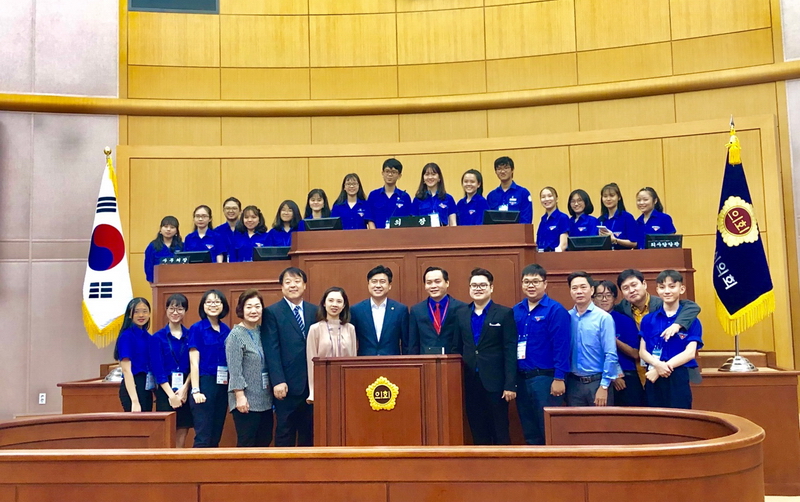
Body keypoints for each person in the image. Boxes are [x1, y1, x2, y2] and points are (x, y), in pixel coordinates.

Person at [451, 268, 517, 445]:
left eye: (482, 285)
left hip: (496, 383)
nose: (478, 289)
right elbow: (456, 348)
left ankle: (503, 461)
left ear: (491, 288)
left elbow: (510, 350)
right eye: (474, 285)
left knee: (500, 429)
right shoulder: (461, 313)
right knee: (477, 429)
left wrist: (510, 384)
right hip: (470, 381)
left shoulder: (504, 313)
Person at [512, 264, 570, 445]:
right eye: (527, 281)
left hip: (546, 379)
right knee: (529, 430)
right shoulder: (516, 310)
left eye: (535, 281)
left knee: (548, 430)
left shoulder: (555, 310)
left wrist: (559, 378)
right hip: (521, 379)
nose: (531, 285)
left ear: (545, 284)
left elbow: (562, 346)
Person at [263, 267, 319, 447]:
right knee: (285, 432)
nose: (293, 285)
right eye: (288, 282)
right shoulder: (272, 312)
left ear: (304, 285)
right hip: (286, 384)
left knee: (309, 433)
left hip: (311, 385)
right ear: (282, 287)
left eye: (297, 281)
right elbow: (271, 349)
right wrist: (278, 380)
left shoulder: (315, 311)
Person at [639, 270, 703, 409]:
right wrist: (657, 365)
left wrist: (662, 368)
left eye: (672, 286)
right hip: (653, 374)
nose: (667, 291)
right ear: (657, 290)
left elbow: (690, 353)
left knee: (680, 418)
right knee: (653, 418)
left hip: (678, 375)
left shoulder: (692, 321)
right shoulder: (648, 319)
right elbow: (642, 351)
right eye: (662, 287)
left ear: (682, 289)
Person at [225, 289, 273, 447]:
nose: (254, 311)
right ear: (241, 309)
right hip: (246, 400)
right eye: (249, 307)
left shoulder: (263, 332)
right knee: (247, 444)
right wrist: (240, 396)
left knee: (264, 442)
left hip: (265, 399)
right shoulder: (235, 336)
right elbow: (235, 371)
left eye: (257, 306)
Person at [565, 271, 618, 407]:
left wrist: (604, 386)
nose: (579, 291)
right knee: (575, 421)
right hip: (573, 384)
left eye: (583, 287)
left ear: (592, 290)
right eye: (574, 288)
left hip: (598, 382)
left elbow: (611, 354)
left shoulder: (603, 318)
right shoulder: (566, 317)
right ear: (570, 291)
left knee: (601, 421)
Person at [188, 290, 231, 448]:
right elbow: (194, 362)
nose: (213, 305)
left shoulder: (226, 330)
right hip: (204, 384)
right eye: (209, 302)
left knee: (216, 435)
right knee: (203, 436)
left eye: (217, 302)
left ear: (223, 305)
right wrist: (196, 390)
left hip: (223, 384)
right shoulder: (197, 328)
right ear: (203, 306)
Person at [149, 294, 193, 447]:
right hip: (165, 388)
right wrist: (171, 395)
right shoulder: (157, 338)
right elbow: (157, 369)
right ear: (166, 310)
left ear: (185, 311)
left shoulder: (191, 335)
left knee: (183, 428)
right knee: (167, 431)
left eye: (179, 309)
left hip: (186, 386)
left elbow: (195, 365)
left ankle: (180, 457)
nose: (175, 312)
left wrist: (185, 389)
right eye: (172, 308)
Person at [592, 280, 643, 407]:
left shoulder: (625, 321)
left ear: (615, 298)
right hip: (597, 377)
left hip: (626, 377)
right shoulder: (588, 321)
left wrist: (611, 339)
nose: (604, 299)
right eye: (599, 295)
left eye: (608, 295)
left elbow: (635, 353)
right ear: (593, 298)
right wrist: (613, 376)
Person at [306, 287, 358, 403]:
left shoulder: (350, 328)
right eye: (331, 300)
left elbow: (353, 358)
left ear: (344, 306)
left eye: (339, 301)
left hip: (345, 383)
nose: (334, 305)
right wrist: (313, 390)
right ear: (324, 303)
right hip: (323, 383)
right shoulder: (315, 329)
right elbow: (311, 361)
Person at [615, 269, 700, 335]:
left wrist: (677, 325)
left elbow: (693, 307)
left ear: (644, 284)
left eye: (634, 285)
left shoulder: (662, 303)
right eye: (625, 288)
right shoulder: (623, 307)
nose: (631, 290)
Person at [350, 265, 410, 356]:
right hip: (364, 361)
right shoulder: (356, 310)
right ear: (368, 285)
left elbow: (406, 343)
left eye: (382, 282)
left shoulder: (400, 310)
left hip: (393, 361)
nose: (378, 285)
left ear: (389, 286)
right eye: (374, 281)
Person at [408, 266, 467, 355]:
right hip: (426, 360)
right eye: (429, 282)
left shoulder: (462, 308)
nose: (433, 286)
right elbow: (413, 343)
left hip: (454, 359)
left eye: (437, 281)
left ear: (447, 283)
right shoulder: (416, 310)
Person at [114, 297, 153, 413]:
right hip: (133, 386)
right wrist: (135, 401)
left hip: (146, 386)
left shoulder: (148, 336)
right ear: (130, 315)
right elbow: (126, 370)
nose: (141, 315)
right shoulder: (127, 336)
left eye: (145, 311)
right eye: (136, 311)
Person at [365, 158, 412, 229]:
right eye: (387, 171)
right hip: (378, 234)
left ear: (399, 175)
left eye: (394, 172)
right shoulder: (373, 195)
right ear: (382, 173)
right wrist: (375, 234)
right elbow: (370, 219)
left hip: (398, 235)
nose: (390, 174)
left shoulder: (405, 197)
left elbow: (408, 221)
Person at [485, 156, 533, 224]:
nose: (502, 171)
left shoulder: (523, 193)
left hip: (517, 230)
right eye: (499, 169)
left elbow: (526, 219)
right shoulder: (491, 195)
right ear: (495, 172)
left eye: (506, 168)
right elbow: (488, 221)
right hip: (497, 230)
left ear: (512, 170)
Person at [144, 215, 183, 286]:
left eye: (172, 227)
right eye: (165, 226)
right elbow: (148, 266)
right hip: (159, 283)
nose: (168, 229)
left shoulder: (181, 246)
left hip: (178, 282)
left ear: (176, 231)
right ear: (160, 229)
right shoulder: (152, 246)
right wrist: (152, 283)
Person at [597, 183, 637, 250]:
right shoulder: (600, 220)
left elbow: (634, 243)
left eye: (612, 196)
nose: (608, 199)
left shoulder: (627, 217)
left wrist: (615, 240)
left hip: (623, 255)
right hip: (605, 255)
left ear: (619, 197)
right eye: (605, 196)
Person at [536, 186, 570, 252]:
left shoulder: (562, 217)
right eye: (543, 197)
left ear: (556, 199)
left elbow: (563, 245)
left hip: (556, 255)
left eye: (550, 196)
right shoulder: (543, 219)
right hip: (541, 255)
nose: (546, 199)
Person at [215, 196, 242, 261]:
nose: (231, 211)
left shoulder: (246, 230)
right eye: (227, 208)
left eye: (234, 208)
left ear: (240, 211)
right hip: (224, 266)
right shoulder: (217, 232)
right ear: (223, 211)